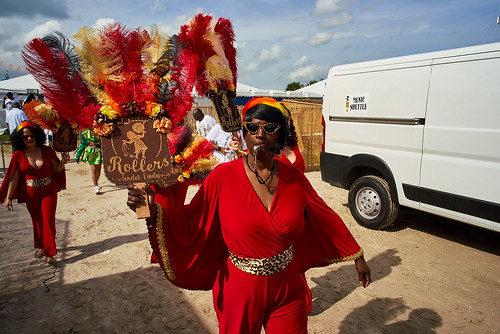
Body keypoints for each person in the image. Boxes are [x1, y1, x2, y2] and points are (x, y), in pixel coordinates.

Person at [126, 97, 371, 333]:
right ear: (245, 132)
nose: (260, 133)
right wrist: (154, 211)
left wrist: (356, 255)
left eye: (270, 127)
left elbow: (323, 215)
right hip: (239, 288)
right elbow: (193, 220)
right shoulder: (222, 176)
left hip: (288, 287)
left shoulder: (294, 178)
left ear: (281, 135)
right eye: (252, 127)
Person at [0, 121, 67, 264]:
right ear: (20, 139)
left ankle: (50, 253)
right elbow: (14, 178)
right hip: (31, 193)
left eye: (32, 136)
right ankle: (41, 246)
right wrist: (8, 197)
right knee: (36, 220)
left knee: (48, 221)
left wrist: (63, 161)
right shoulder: (18, 155)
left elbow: (57, 169)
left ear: (37, 136)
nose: (29, 139)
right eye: (25, 137)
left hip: (49, 190)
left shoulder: (47, 151)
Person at [274, 102, 306, 173]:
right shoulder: (265, 149)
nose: (284, 122)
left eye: (287, 118)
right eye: (280, 118)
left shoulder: (293, 145)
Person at [75, 128, 103, 194]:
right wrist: (78, 155)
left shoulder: (102, 130)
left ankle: (97, 182)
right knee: (93, 168)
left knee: (98, 168)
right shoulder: (86, 132)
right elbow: (83, 143)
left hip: (99, 151)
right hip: (90, 152)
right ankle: (95, 185)